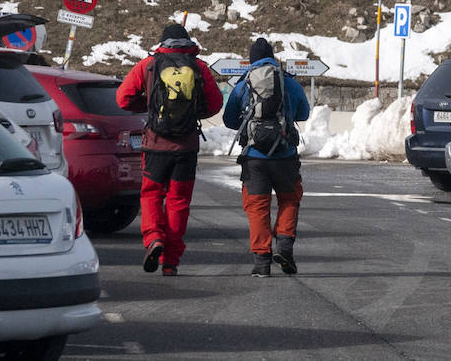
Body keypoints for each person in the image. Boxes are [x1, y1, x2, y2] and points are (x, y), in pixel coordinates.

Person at [116, 24, 222, 276]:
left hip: (155, 143)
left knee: (151, 195)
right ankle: (171, 261)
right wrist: (193, 113)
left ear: (163, 42)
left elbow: (123, 98)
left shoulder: (148, 65)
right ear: (187, 42)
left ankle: (154, 239)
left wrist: (150, 105)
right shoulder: (199, 67)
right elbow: (215, 103)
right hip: (186, 146)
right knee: (178, 202)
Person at [222, 38, 311, 277]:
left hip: (254, 157)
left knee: (257, 208)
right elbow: (303, 113)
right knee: (290, 199)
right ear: (273, 57)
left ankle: (262, 262)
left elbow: (229, 120)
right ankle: (284, 246)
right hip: (285, 155)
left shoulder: (244, 84)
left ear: (251, 60)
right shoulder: (289, 82)